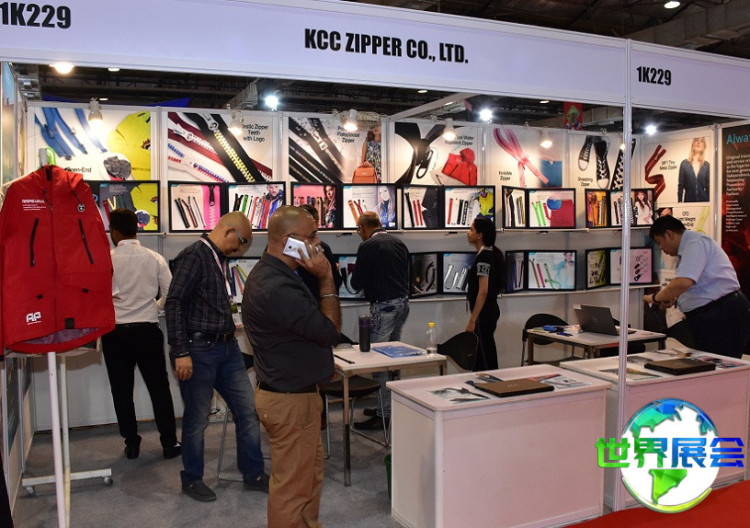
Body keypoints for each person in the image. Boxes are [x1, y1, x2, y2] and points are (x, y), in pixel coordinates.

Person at [242, 206, 340, 528]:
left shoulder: (276, 275)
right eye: (312, 236)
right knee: (292, 490)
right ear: (289, 241)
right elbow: (330, 332)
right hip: (290, 402)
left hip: (293, 396)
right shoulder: (277, 286)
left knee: (308, 478)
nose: (317, 243)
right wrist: (326, 278)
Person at [165, 211, 268, 502]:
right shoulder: (194, 255)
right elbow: (174, 303)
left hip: (227, 348)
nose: (239, 250)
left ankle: (254, 473)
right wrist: (180, 351)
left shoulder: (217, 257)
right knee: (197, 419)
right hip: (198, 350)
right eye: (241, 243)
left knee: (247, 411)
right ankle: (192, 479)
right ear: (229, 230)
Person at [100, 209, 180, 460]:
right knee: (159, 388)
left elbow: (98, 296)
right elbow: (171, 293)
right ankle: (169, 443)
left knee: (122, 390)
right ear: (137, 229)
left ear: (113, 232)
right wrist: (155, 307)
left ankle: (131, 443)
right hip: (147, 330)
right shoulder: (155, 258)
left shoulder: (106, 260)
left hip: (115, 333)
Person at [644, 215, 750, 358]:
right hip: (712, 314)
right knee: (709, 363)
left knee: (719, 364)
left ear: (669, 234)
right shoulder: (689, 247)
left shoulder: (695, 243)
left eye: (659, 242)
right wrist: (674, 298)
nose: (661, 248)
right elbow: (697, 284)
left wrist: (656, 298)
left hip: (721, 313)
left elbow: (683, 282)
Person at [350, 211, 410, 429]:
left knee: (378, 361)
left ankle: (383, 414)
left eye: (358, 230)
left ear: (363, 228)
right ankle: (390, 408)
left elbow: (356, 283)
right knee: (393, 358)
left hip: (383, 307)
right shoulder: (398, 243)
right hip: (402, 304)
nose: (359, 234)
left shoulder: (368, 246)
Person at [465, 217, 504, 370]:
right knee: (484, 351)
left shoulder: (484, 257)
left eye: (471, 230)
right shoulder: (491, 254)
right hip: (488, 311)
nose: (468, 233)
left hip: (484, 313)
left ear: (479, 235)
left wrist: (473, 320)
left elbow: (483, 291)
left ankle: (490, 379)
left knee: (484, 354)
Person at [298, 203, 342, 298]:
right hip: (318, 302)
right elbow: (336, 282)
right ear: (316, 223)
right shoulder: (323, 248)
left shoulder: (283, 247)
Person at [678, 137, 710, 202]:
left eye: (701, 141)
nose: (699, 142)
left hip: (703, 202)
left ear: (704, 146)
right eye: (696, 140)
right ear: (693, 145)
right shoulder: (684, 164)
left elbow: (708, 187)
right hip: (689, 202)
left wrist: (709, 203)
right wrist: (679, 203)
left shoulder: (706, 165)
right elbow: (681, 186)